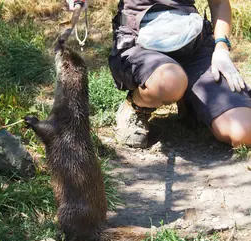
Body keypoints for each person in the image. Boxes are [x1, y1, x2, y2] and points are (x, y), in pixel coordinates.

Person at [107, 0, 251, 148]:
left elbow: (219, 3)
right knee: (169, 81)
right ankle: (135, 106)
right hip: (139, 41)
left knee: (243, 132)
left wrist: (221, 48)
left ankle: (190, 102)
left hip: (194, 43)